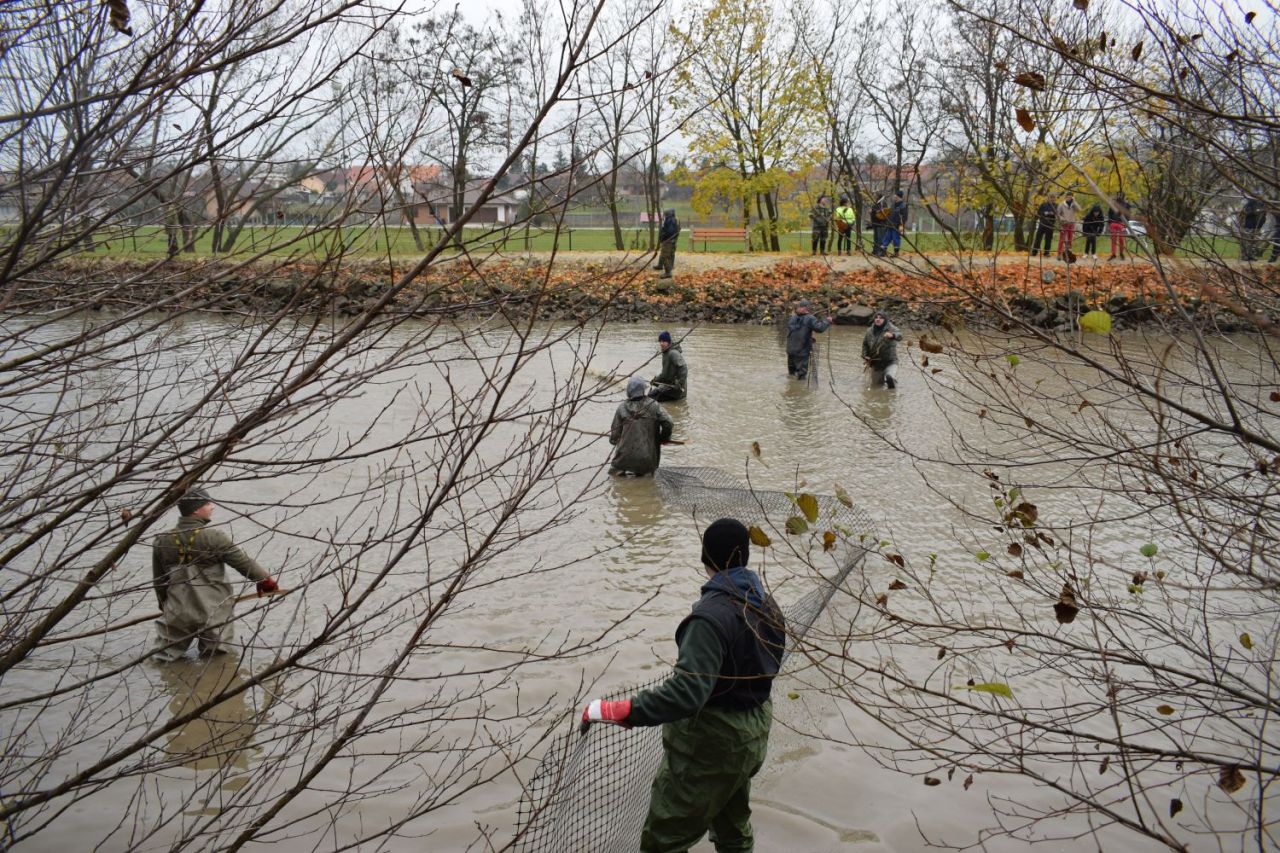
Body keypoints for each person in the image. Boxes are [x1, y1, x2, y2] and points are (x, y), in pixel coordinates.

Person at [580, 517, 786, 853]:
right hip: (752, 735)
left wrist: (625, 710)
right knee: (733, 828)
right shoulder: (768, 604)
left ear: (706, 559)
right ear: (745, 557)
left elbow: (687, 693)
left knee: (664, 841)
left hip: (712, 746)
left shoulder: (709, 619)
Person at [151, 487, 278, 662]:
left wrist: (164, 606)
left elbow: (159, 582)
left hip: (177, 612)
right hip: (214, 613)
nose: (212, 506)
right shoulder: (214, 537)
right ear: (196, 509)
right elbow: (244, 564)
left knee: (163, 659)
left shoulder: (161, 540)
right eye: (208, 503)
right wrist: (266, 581)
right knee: (216, 661)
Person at [609, 377, 674, 476]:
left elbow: (614, 437)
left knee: (614, 474)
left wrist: (614, 440)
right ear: (643, 390)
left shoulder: (622, 407)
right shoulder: (654, 406)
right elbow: (668, 423)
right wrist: (663, 438)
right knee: (645, 475)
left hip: (623, 459)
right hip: (647, 460)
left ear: (628, 391)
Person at [785, 298, 832, 381]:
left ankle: (791, 387)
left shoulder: (792, 318)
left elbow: (795, 331)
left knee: (791, 374)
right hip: (801, 352)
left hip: (790, 350)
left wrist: (809, 336)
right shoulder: (810, 318)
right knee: (801, 376)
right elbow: (819, 328)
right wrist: (827, 321)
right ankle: (800, 388)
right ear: (806, 308)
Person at [862, 309, 902, 389]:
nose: (878, 319)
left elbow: (900, 335)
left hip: (890, 361)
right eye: (876, 317)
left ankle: (892, 390)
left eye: (881, 318)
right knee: (876, 387)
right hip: (876, 364)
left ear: (885, 320)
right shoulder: (869, 331)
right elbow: (865, 345)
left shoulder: (891, 328)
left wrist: (893, 335)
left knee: (889, 376)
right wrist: (865, 356)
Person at [649, 330, 687, 402]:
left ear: (668, 342)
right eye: (660, 341)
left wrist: (679, 383)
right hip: (670, 385)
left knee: (651, 397)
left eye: (663, 341)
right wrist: (655, 380)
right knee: (651, 395)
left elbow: (684, 368)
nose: (661, 343)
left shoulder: (673, 353)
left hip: (677, 391)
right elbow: (665, 374)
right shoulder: (665, 352)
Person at [881, 189, 909, 256]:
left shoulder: (903, 205)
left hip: (897, 225)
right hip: (890, 224)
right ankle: (883, 252)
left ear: (899, 197)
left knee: (896, 239)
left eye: (895, 196)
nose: (894, 197)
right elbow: (890, 213)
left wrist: (902, 226)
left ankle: (896, 253)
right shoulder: (893, 205)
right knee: (886, 238)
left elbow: (904, 217)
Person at [655, 209, 681, 279]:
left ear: (668, 214)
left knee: (665, 256)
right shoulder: (673, 219)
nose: (664, 215)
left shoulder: (670, 220)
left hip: (668, 241)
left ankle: (668, 272)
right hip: (671, 241)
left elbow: (670, 232)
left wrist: (663, 236)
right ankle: (661, 266)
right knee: (667, 254)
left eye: (665, 214)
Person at [1240, 195, 1266, 261]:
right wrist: (1255, 212)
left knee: (1254, 242)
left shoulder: (1262, 204)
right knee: (1246, 241)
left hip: (1257, 226)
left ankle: (1252, 255)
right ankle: (1245, 255)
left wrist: (1262, 222)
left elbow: (1264, 214)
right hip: (1249, 226)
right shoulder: (1250, 203)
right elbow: (1247, 212)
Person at [1030, 192, 1057, 257]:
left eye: (1053, 198)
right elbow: (1039, 212)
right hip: (1042, 223)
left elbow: (1057, 213)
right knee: (1038, 238)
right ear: (1048, 198)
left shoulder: (1056, 206)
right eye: (1050, 198)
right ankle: (1034, 252)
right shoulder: (1043, 205)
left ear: (1054, 199)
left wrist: (1051, 213)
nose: (1051, 199)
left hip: (1050, 224)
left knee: (1048, 239)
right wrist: (1045, 213)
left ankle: (1046, 253)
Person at [1056, 192, 1079, 260]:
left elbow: (1079, 209)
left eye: (1070, 197)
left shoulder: (1073, 205)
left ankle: (1068, 254)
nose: (1069, 198)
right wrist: (1063, 219)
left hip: (1071, 224)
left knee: (1070, 240)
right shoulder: (1061, 205)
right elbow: (1057, 215)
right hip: (1064, 224)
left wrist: (1074, 202)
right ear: (1065, 197)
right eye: (1068, 197)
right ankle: (1059, 254)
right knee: (1062, 240)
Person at [1107, 190, 1128, 261]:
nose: (1119, 196)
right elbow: (1109, 213)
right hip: (1113, 222)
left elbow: (1127, 214)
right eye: (1118, 194)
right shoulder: (1113, 203)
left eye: (1121, 194)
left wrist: (1126, 223)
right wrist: (1109, 223)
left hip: (1121, 223)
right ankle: (1113, 254)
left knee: (1121, 239)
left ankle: (1121, 253)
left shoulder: (1125, 204)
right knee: (1113, 239)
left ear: (1123, 195)